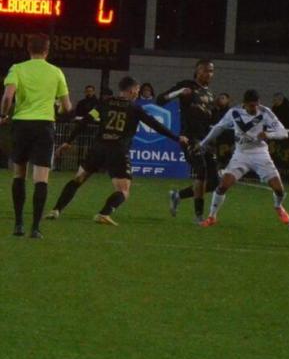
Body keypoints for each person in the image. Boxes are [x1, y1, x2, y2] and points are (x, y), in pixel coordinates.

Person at [46, 77, 188, 225]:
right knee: (124, 190)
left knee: (78, 179)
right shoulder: (134, 108)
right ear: (132, 90)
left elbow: (85, 121)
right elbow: (155, 125)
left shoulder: (105, 103)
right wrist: (176, 138)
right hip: (117, 150)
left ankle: (56, 210)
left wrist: (68, 141)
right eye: (137, 91)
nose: (137, 94)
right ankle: (104, 213)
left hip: (98, 148)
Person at [0, 33, 72, 238]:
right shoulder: (56, 72)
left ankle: (18, 224)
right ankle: (35, 228)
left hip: (22, 125)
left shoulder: (17, 68)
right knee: (41, 178)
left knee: (19, 174)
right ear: (47, 50)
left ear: (28, 49)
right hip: (44, 126)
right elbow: (67, 106)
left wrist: (4, 114)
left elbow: (7, 96)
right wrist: (57, 106)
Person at [197, 89, 289, 227]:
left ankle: (278, 206)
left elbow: (283, 132)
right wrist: (203, 143)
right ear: (244, 104)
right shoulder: (234, 113)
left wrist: (269, 134)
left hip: (260, 154)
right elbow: (219, 127)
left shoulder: (265, 112)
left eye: (256, 105)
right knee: (223, 185)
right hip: (241, 154)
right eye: (251, 105)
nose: (254, 108)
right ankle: (212, 217)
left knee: (279, 190)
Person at [157, 59, 217, 222]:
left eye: (211, 71)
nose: (208, 74)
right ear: (197, 70)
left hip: (206, 140)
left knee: (214, 183)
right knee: (201, 170)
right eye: (205, 70)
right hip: (189, 137)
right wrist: (179, 92)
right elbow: (160, 99)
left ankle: (178, 195)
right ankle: (199, 217)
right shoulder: (187, 85)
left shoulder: (209, 93)